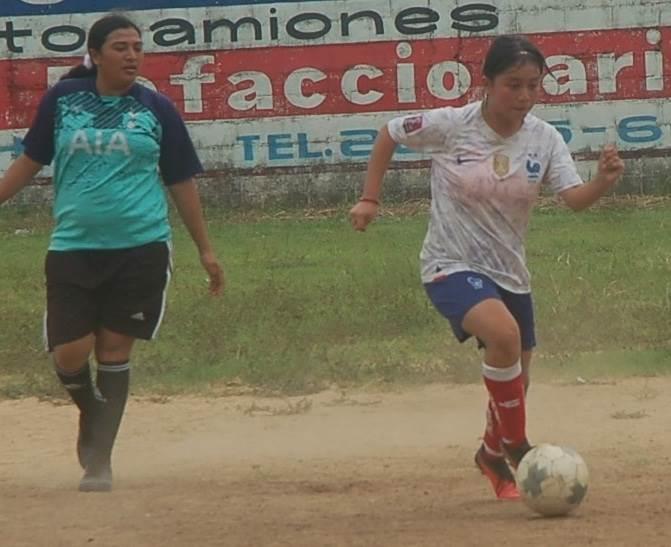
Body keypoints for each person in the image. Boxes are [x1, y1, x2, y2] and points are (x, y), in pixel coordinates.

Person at [349, 35, 624, 500]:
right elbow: (389, 133)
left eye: (532, 86)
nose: (522, 96)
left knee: (518, 376)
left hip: (510, 272)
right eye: (512, 85)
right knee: (504, 337)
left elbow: (573, 201)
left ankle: (491, 453)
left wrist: (601, 181)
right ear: (487, 83)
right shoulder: (453, 125)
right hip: (449, 263)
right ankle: (518, 447)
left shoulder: (545, 137)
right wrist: (369, 198)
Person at [0, 14, 224, 492]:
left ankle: (99, 460)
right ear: (96, 55)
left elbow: (180, 179)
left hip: (140, 246)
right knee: (70, 353)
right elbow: (31, 159)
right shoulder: (64, 100)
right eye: (120, 47)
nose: (132, 55)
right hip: (74, 245)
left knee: (114, 350)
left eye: (137, 47)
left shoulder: (155, 107)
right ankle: (95, 414)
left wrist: (206, 250)